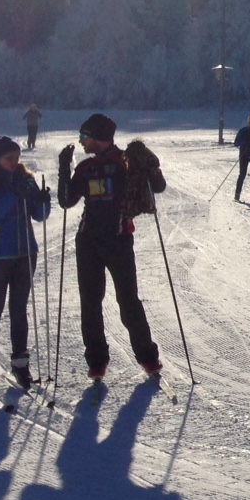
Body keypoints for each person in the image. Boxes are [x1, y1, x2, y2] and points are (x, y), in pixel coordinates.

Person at [59, 113, 165, 381]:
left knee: (128, 300)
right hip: (88, 241)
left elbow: (158, 187)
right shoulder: (85, 167)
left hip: (119, 239)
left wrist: (151, 164)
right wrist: (64, 168)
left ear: (99, 137)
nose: (81, 141)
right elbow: (66, 201)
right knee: (90, 302)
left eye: (84, 136)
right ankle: (96, 361)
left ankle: (148, 358)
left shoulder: (126, 162)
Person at [0, 137, 51, 393]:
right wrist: (13, 194)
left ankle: (20, 364)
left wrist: (43, 200)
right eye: (9, 158)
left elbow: (39, 216)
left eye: (17, 157)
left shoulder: (25, 179)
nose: (14, 162)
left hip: (25, 253)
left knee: (19, 310)